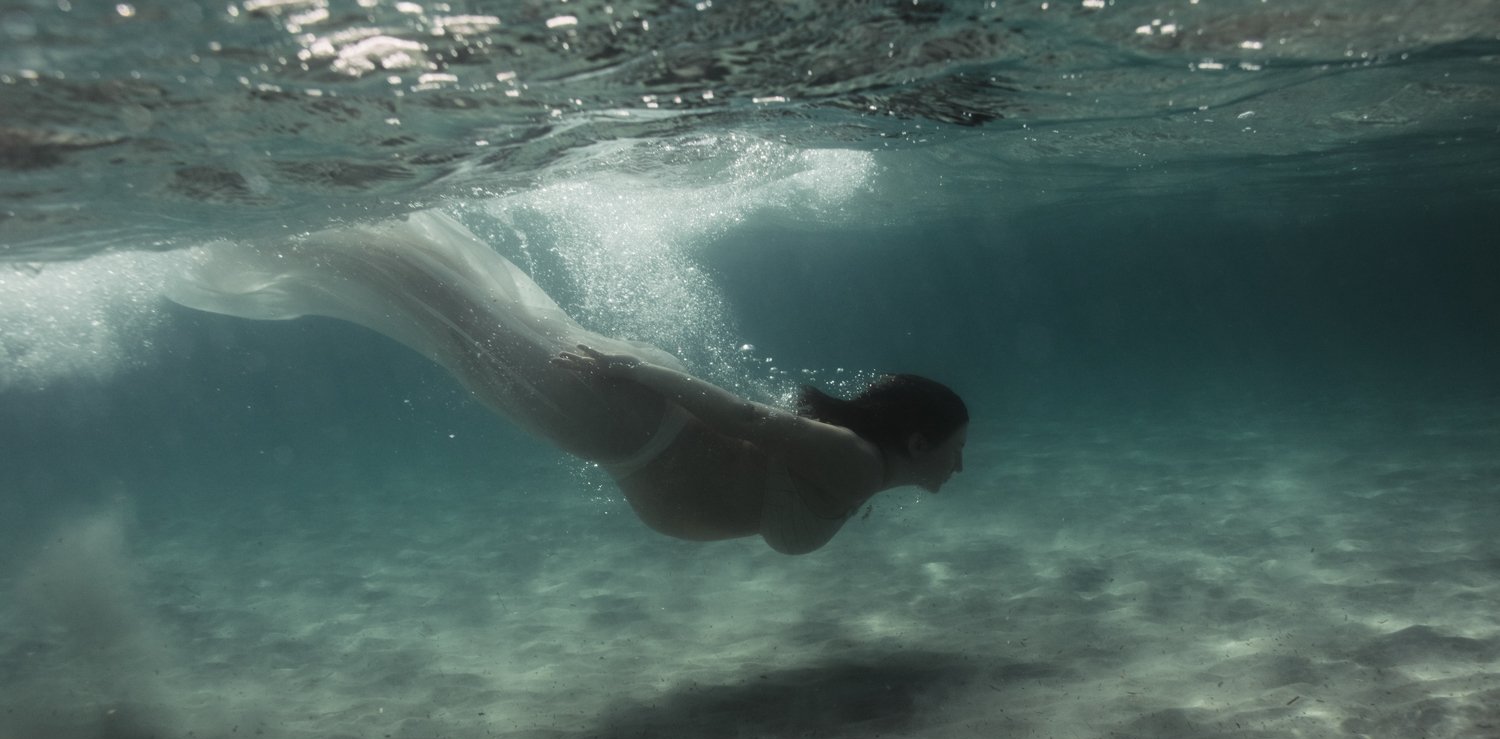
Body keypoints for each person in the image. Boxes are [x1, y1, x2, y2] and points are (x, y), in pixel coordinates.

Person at [166, 211, 968, 554]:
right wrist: (629, 370)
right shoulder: (857, 464)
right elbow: (746, 419)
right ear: (919, 438)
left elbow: (750, 438)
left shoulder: (856, 471)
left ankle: (297, 222)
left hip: (624, 428)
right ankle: (284, 221)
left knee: (455, 315)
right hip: (624, 416)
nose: (962, 467)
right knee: (452, 314)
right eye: (957, 451)